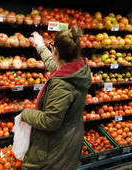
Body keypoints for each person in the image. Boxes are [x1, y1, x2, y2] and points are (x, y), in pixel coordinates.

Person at [19, 25, 92, 170]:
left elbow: (50, 121)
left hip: (55, 150)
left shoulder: (62, 85)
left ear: (56, 51)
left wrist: (25, 113)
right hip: (69, 140)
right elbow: (56, 66)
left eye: (52, 46)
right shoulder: (78, 69)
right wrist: (41, 46)